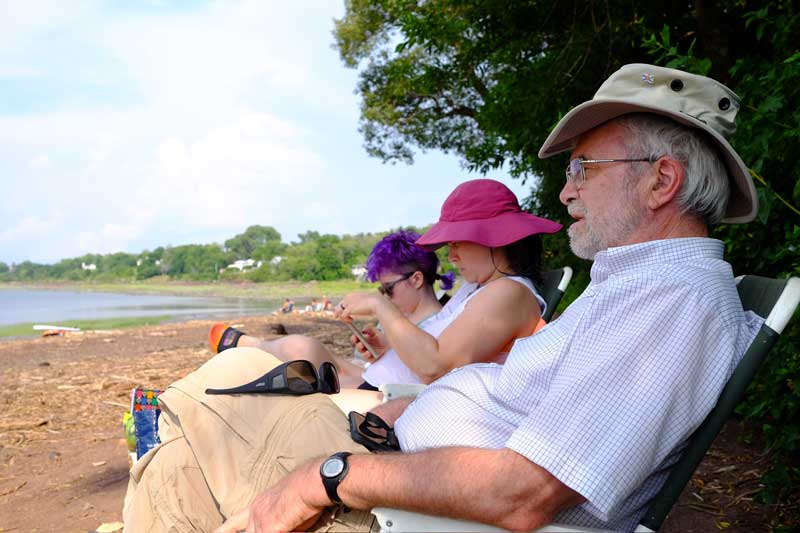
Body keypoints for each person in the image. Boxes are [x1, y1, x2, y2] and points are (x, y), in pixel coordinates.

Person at [123, 64, 763, 533]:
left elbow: (523, 493)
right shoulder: (634, 289)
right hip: (396, 451)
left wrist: (332, 476)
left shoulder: (669, 306)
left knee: (178, 465)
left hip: (404, 500)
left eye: (582, 169)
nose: (567, 193)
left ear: (662, 181)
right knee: (187, 441)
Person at [208, 183, 560, 389]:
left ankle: (242, 348)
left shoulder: (510, 293)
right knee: (304, 354)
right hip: (383, 385)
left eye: (457, 241)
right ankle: (242, 350)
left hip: (392, 399)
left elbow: (436, 365)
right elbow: (437, 346)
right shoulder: (481, 289)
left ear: (495, 239)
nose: (452, 254)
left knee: (304, 351)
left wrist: (381, 307)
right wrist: (386, 346)